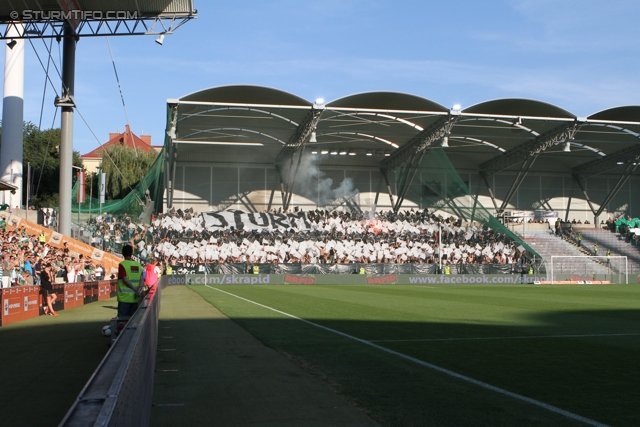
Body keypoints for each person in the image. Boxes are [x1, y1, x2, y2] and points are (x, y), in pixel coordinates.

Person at [117, 244, 145, 318]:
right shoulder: (138, 265)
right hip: (135, 298)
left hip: (124, 299)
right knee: (133, 321)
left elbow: (125, 279)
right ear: (131, 253)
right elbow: (141, 279)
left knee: (122, 321)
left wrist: (135, 288)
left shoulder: (122, 265)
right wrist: (138, 289)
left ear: (122, 253)